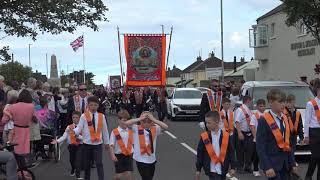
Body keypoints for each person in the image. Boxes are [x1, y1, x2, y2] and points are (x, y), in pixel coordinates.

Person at [256, 89, 297, 180]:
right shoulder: (264, 120)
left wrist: (292, 163)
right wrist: (267, 167)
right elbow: (260, 146)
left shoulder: (285, 118)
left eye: (284, 102)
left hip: (286, 164)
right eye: (280, 102)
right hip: (272, 165)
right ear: (270, 102)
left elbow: (288, 143)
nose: (283, 104)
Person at [71, 96, 110, 180]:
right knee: (87, 164)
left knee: (99, 163)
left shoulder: (101, 116)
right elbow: (79, 128)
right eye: (91, 105)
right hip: (87, 144)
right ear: (88, 106)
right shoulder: (83, 116)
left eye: (95, 105)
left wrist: (107, 143)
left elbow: (105, 130)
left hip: (98, 144)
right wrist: (74, 131)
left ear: (98, 106)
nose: (93, 107)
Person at [125, 111, 168, 180]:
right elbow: (126, 123)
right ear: (141, 121)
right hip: (140, 159)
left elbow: (165, 127)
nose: (146, 123)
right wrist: (140, 118)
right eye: (144, 121)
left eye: (149, 121)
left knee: (149, 177)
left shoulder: (155, 128)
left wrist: (153, 119)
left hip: (152, 159)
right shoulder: (136, 128)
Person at [195, 111, 236, 180]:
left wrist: (233, 167)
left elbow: (231, 152)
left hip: (223, 168)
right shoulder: (204, 136)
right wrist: (198, 169)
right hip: (212, 169)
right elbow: (200, 153)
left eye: (209, 123)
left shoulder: (226, 136)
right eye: (206, 123)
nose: (207, 125)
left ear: (217, 122)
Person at [2, 89, 36, 156]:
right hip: (26, 130)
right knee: (24, 149)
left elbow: (4, 120)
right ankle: (25, 162)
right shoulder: (32, 106)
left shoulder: (12, 107)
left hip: (16, 130)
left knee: (16, 149)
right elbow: (34, 117)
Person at [52, 111, 83, 180]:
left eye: (76, 117)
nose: (75, 119)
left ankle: (78, 176)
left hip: (80, 146)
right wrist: (57, 141)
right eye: (73, 117)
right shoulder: (69, 127)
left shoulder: (83, 127)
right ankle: (73, 168)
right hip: (71, 146)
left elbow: (85, 138)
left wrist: (77, 136)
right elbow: (64, 136)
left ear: (80, 118)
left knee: (78, 161)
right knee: (72, 160)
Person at [109, 110, 134, 180]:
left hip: (129, 155)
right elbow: (111, 145)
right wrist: (112, 155)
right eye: (123, 120)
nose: (125, 122)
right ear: (119, 120)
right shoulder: (115, 132)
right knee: (119, 175)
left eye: (127, 120)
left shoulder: (131, 131)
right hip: (119, 155)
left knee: (128, 174)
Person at [305, 78, 320, 180]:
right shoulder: (311, 103)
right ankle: (308, 175)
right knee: (315, 156)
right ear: (318, 89)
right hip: (314, 132)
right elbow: (307, 120)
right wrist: (306, 135)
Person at [235, 95, 254, 173]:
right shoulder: (240, 110)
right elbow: (237, 121)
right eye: (251, 101)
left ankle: (247, 166)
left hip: (249, 133)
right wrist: (239, 133)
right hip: (242, 132)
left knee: (249, 150)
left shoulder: (248, 110)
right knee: (240, 151)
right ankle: (239, 167)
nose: (252, 102)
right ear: (248, 101)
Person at [284, 94, 303, 164]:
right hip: (286, 135)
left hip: (294, 135)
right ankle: (291, 163)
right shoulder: (283, 112)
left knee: (293, 149)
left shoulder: (297, 113)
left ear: (294, 102)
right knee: (287, 150)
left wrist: (301, 137)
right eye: (287, 102)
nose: (288, 104)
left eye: (290, 102)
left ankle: (291, 162)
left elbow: (300, 126)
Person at [249, 99, 266, 177]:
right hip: (258, 138)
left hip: (266, 138)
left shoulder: (267, 114)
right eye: (260, 106)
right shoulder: (255, 115)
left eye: (263, 106)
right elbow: (252, 126)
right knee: (257, 155)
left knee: (265, 155)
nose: (262, 108)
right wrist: (255, 137)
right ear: (257, 106)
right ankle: (255, 169)